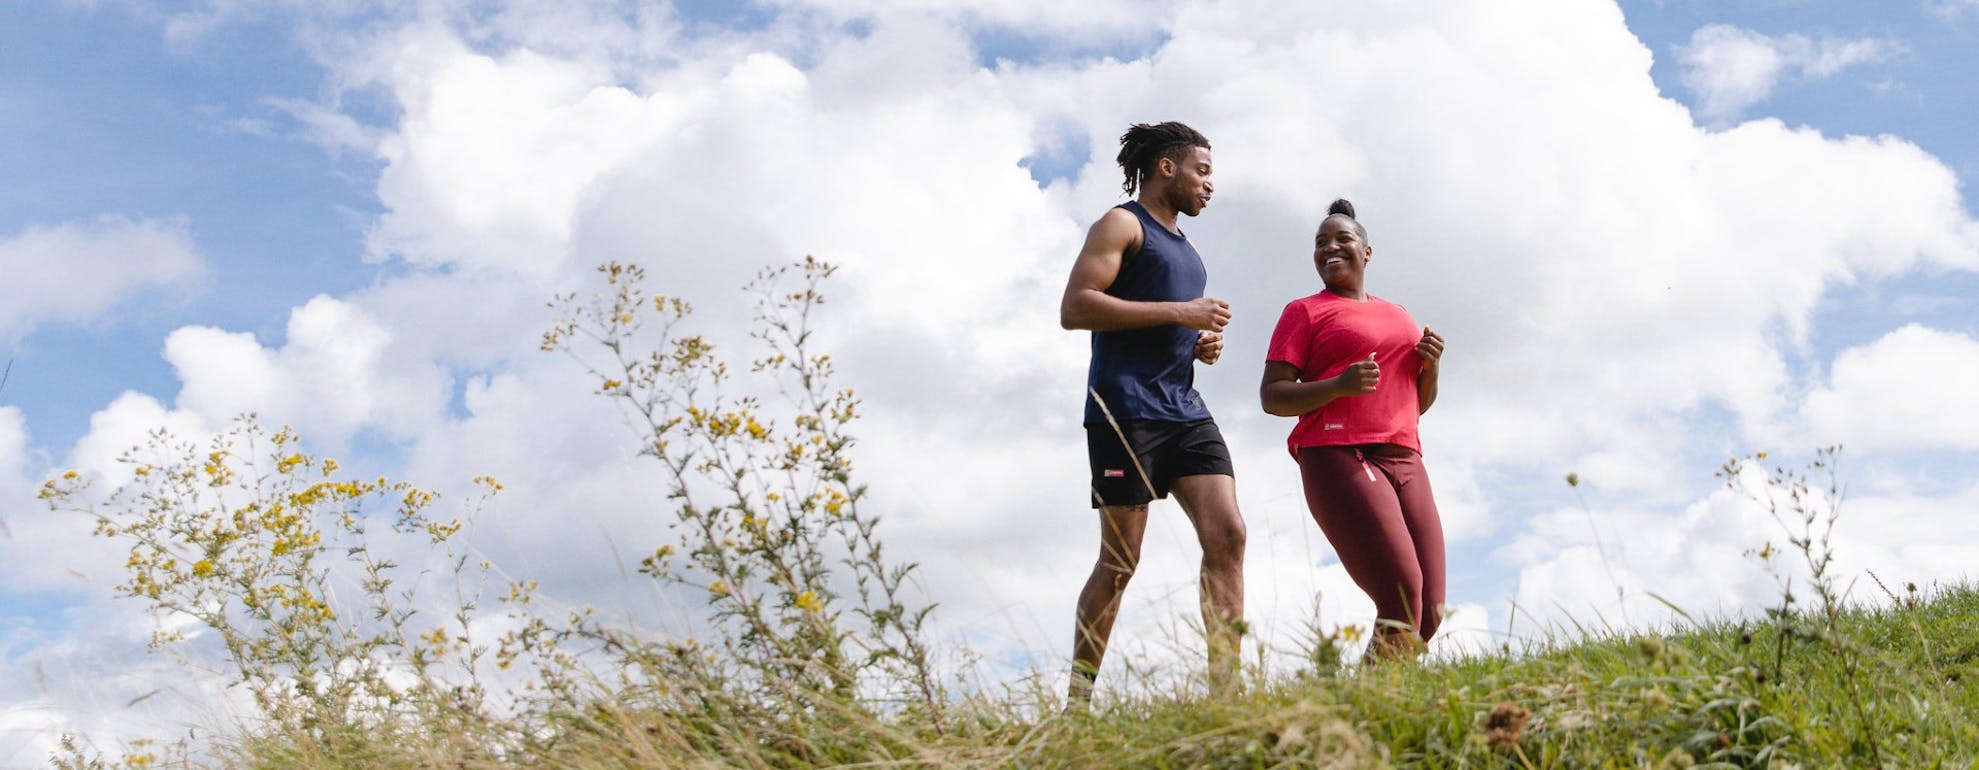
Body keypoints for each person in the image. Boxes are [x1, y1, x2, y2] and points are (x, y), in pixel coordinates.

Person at [1059, 121, 1246, 701]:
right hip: (1124, 408)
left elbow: (1171, 321)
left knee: (1229, 535)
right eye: (1203, 171)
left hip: (1184, 409)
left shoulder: (1190, 252)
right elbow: (1076, 307)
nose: (1211, 185)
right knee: (1120, 561)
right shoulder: (1121, 224)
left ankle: (1225, 696)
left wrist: (1197, 342)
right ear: (1168, 167)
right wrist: (1180, 314)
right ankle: (1079, 701)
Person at [1259, 198, 1447, 661]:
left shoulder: (1400, 315)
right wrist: (1339, 385)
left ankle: (1378, 706)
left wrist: (1433, 368)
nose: (1330, 248)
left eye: (1343, 239)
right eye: (1321, 243)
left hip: (1404, 454)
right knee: (1401, 594)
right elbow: (1272, 396)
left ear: (1368, 251)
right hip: (1338, 452)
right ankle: (1366, 715)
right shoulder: (1304, 312)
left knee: (1430, 612)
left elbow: (1414, 403)